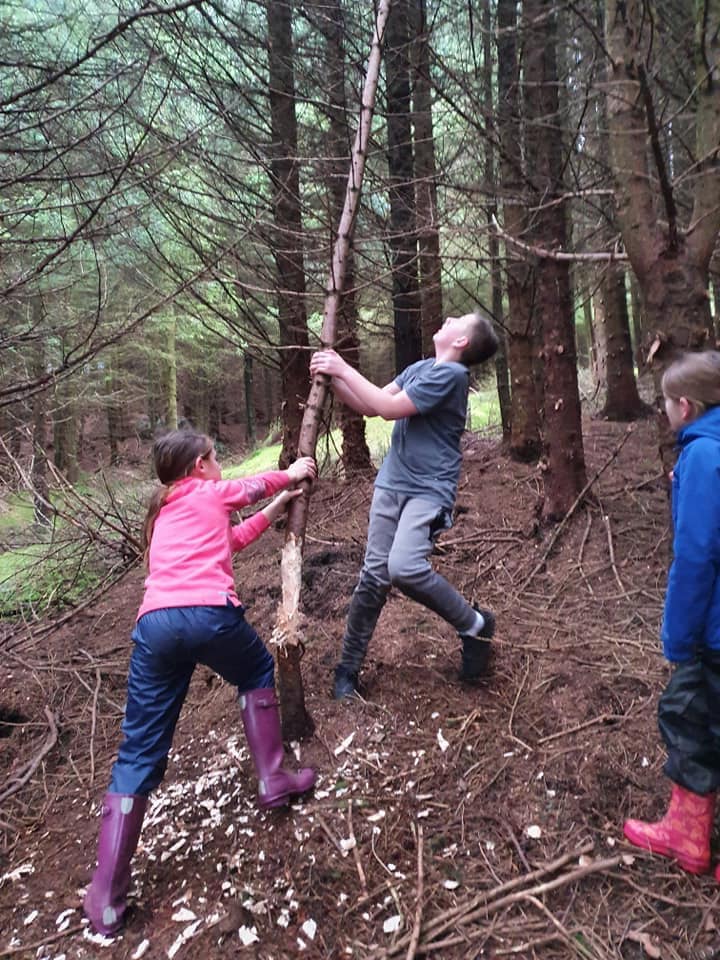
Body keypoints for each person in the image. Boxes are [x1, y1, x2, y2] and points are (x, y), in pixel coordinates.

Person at [84, 430, 318, 936]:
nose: (218, 467)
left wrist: (281, 505)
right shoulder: (209, 492)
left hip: (155, 628)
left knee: (139, 750)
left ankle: (105, 897)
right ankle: (274, 779)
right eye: (214, 459)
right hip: (208, 615)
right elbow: (249, 487)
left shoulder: (163, 516)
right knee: (256, 671)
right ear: (198, 466)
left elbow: (234, 537)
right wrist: (294, 474)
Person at [310, 310, 499, 700]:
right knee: (374, 576)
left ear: (462, 342)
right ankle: (348, 668)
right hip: (392, 483)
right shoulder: (422, 367)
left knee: (404, 567)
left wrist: (343, 366)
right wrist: (333, 381)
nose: (446, 318)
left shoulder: (451, 376)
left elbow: (388, 408)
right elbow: (370, 404)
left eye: (458, 320)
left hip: (428, 490)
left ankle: (475, 624)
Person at [623, 351, 720, 878]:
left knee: (686, 711)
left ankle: (688, 837)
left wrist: (678, 637)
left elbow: (698, 555)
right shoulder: (707, 455)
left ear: (685, 405)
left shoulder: (704, 459)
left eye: (665, 406)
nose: (664, 414)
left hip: (716, 629)